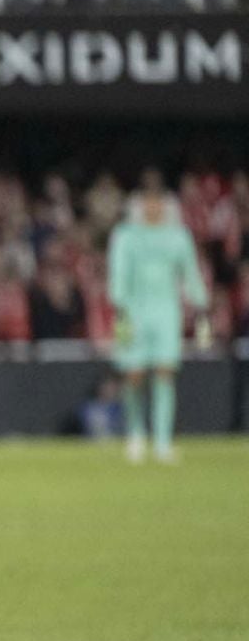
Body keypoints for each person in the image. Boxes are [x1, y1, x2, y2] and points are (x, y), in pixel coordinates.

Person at [108, 187, 210, 463]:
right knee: (134, 374)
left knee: (165, 372)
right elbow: (118, 272)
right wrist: (118, 305)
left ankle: (163, 441)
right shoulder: (126, 235)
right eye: (148, 203)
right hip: (133, 311)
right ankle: (136, 435)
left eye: (158, 203)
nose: (153, 208)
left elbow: (190, 272)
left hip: (167, 311)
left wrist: (201, 303)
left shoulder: (177, 236)